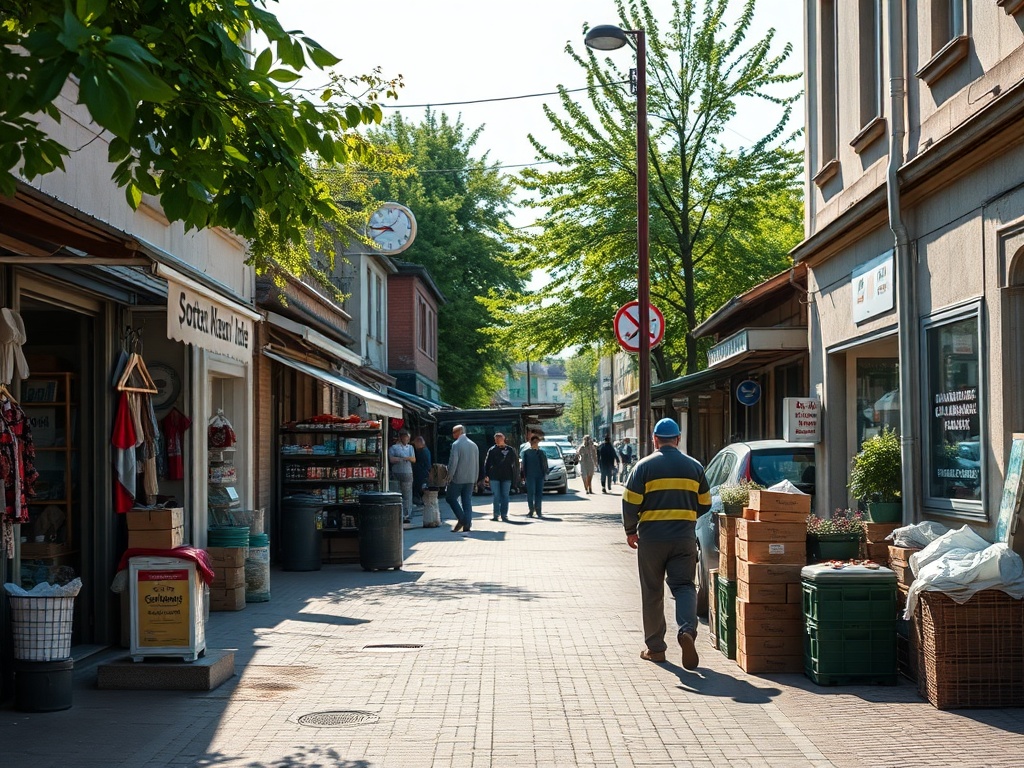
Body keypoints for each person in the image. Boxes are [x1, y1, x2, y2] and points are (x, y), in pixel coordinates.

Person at [622, 418, 711, 670]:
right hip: (683, 538)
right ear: (678, 439)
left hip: (651, 540)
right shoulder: (695, 467)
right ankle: (687, 631)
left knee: (652, 592)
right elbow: (705, 502)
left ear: (655, 439)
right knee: (684, 586)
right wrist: (686, 515)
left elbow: (630, 503)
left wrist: (631, 530)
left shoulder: (643, 467)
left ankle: (656, 649)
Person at [446, 424, 479, 533]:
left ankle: (463, 519)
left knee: (450, 498)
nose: (453, 434)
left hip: (458, 478)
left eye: (454, 432)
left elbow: (453, 462)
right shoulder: (474, 445)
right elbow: (477, 464)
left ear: (459, 432)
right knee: (467, 501)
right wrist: (475, 479)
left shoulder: (456, 444)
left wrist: (449, 476)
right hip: (470, 478)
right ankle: (467, 525)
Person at [483, 432, 519, 522]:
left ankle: (504, 514)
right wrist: (486, 475)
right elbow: (487, 463)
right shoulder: (492, 450)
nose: (497, 441)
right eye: (496, 440)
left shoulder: (510, 450)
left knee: (505, 495)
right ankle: (496, 514)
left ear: (503, 439)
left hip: (507, 476)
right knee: (496, 495)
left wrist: (516, 476)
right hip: (494, 476)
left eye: (499, 439)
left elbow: (515, 463)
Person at [388, 429, 416, 523]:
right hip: (396, 473)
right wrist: (403, 458)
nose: (407, 439)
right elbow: (391, 459)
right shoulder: (394, 448)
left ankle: (406, 515)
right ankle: (398, 514)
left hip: (408, 473)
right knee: (397, 494)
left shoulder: (410, 447)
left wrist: (404, 458)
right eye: (405, 437)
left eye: (408, 438)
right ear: (401, 437)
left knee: (407, 495)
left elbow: (413, 459)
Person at [519, 434, 549, 518]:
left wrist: (546, 473)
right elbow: (523, 465)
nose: (536, 443)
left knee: (539, 493)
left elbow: (545, 464)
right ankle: (531, 510)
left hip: (540, 475)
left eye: (537, 442)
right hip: (530, 476)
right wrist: (523, 476)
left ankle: (538, 510)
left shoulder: (541, 452)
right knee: (530, 493)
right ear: (531, 442)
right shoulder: (526, 453)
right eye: (534, 442)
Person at [412, 435, 431, 506]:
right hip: (424, 473)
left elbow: (418, 464)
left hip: (421, 474)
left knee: (420, 488)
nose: (415, 446)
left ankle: (420, 500)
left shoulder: (422, 452)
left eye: (416, 444)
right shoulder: (426, 450)